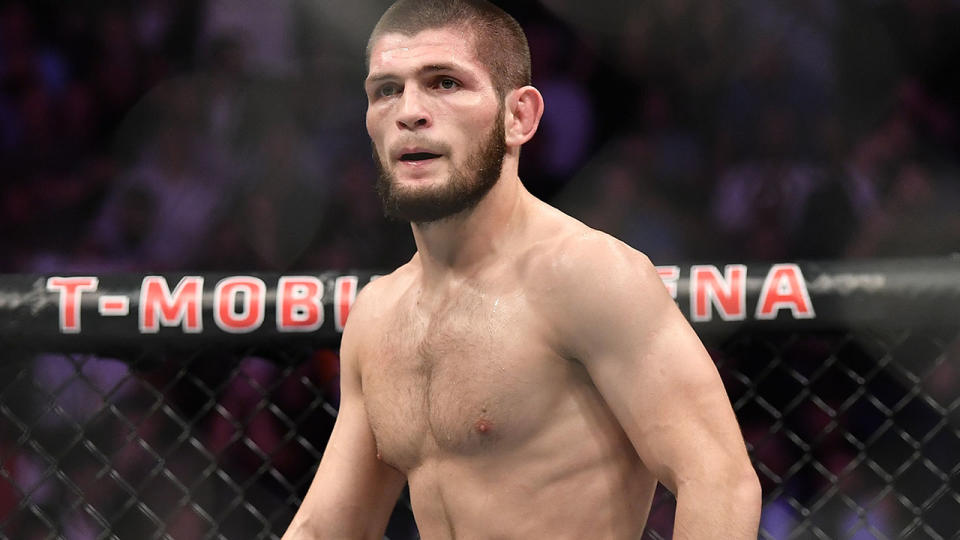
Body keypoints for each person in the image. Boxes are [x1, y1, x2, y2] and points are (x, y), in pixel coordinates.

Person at [283, 1, 761, 538]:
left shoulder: (587, 275)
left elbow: (718, 476)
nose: (408, 111)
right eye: (386, 90)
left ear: (520, 117)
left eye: (443, 82)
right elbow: (326, 528)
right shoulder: (377, 315)